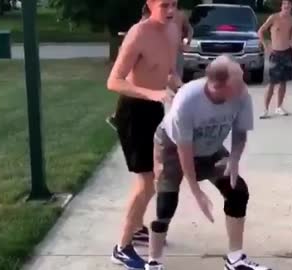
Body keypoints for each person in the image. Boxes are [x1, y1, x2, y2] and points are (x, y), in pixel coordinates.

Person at [145, 55, 272, 270]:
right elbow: (184, 151)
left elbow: (240, 132)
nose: (244, 83)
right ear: (218, 86)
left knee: (237, 190)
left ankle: (235, 259)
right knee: (166, 203)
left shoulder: (241, 95)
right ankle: (154, 262)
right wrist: (196, 191)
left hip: (210, 147)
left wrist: (234, 158)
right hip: (172, 148)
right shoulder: (187, 101)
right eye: (238, 80)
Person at [106, 0, 183, 268]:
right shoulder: (138, 34)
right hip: (133, 112)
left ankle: (137, 228)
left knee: (157, 175)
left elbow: (169, 72)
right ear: (150, 4)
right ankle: (121, 248)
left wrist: (182, 89)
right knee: (146, 181)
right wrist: (153, 94)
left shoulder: (173, 29)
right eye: (164, 5)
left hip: (155, 111)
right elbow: (114, 81)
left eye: (174, 4)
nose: (171, 10)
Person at [258, 0, 292, 118]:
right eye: (285, 5)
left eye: (289, 6)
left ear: (291, 8)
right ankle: (265, 109)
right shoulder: (273, 17)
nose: (286, 7)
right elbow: (260, 31)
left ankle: (279, 107)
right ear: (281, 6)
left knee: (283, 82)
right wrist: (265, 46)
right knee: (272, 83)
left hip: (287, 53)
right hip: (275, 54)